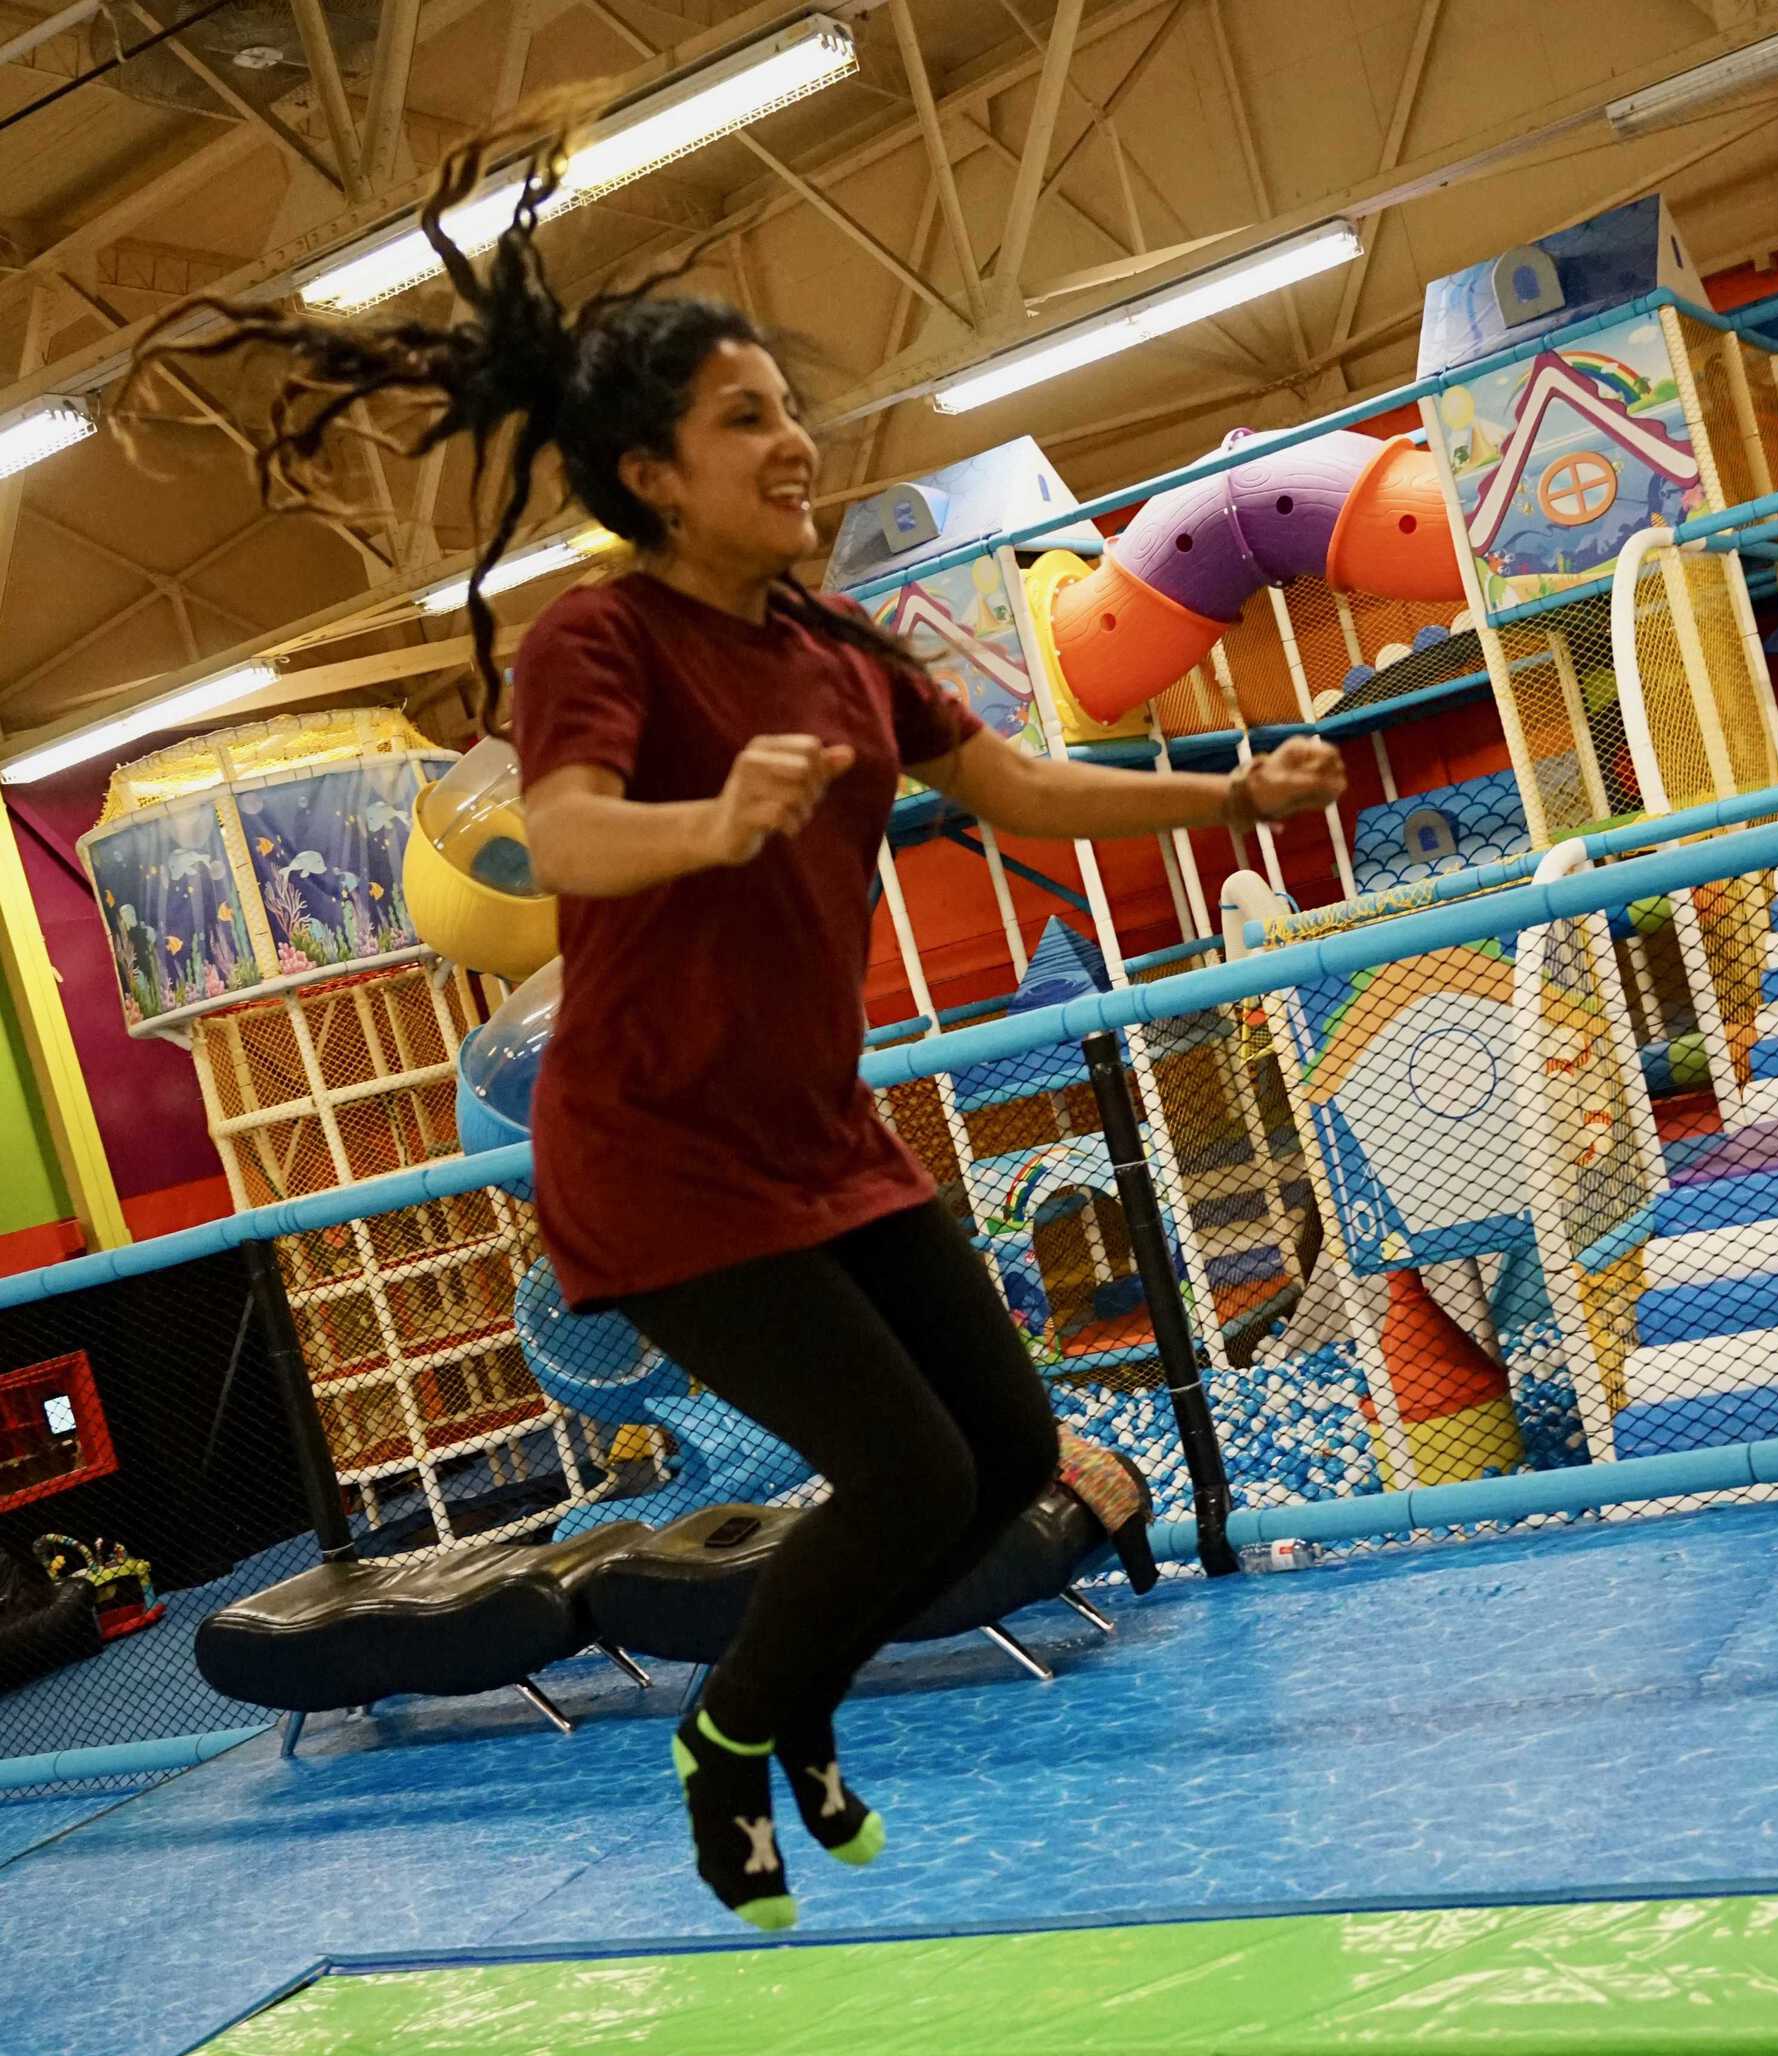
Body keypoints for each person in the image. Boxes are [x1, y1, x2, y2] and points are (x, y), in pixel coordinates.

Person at [124, 112, 1345, 1933]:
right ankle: (732, 1746)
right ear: (650, 473)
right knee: (911, 1468)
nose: (795, 445)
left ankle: (799, 1712)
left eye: (791, 407)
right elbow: (570, 829)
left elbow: (1014, 783)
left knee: (1012, 1460)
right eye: (746, 421)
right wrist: (716, 822)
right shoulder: (595, 645)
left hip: (818, 1144)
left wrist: (1236, 793)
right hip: (656, 1156)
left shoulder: (839, 642)